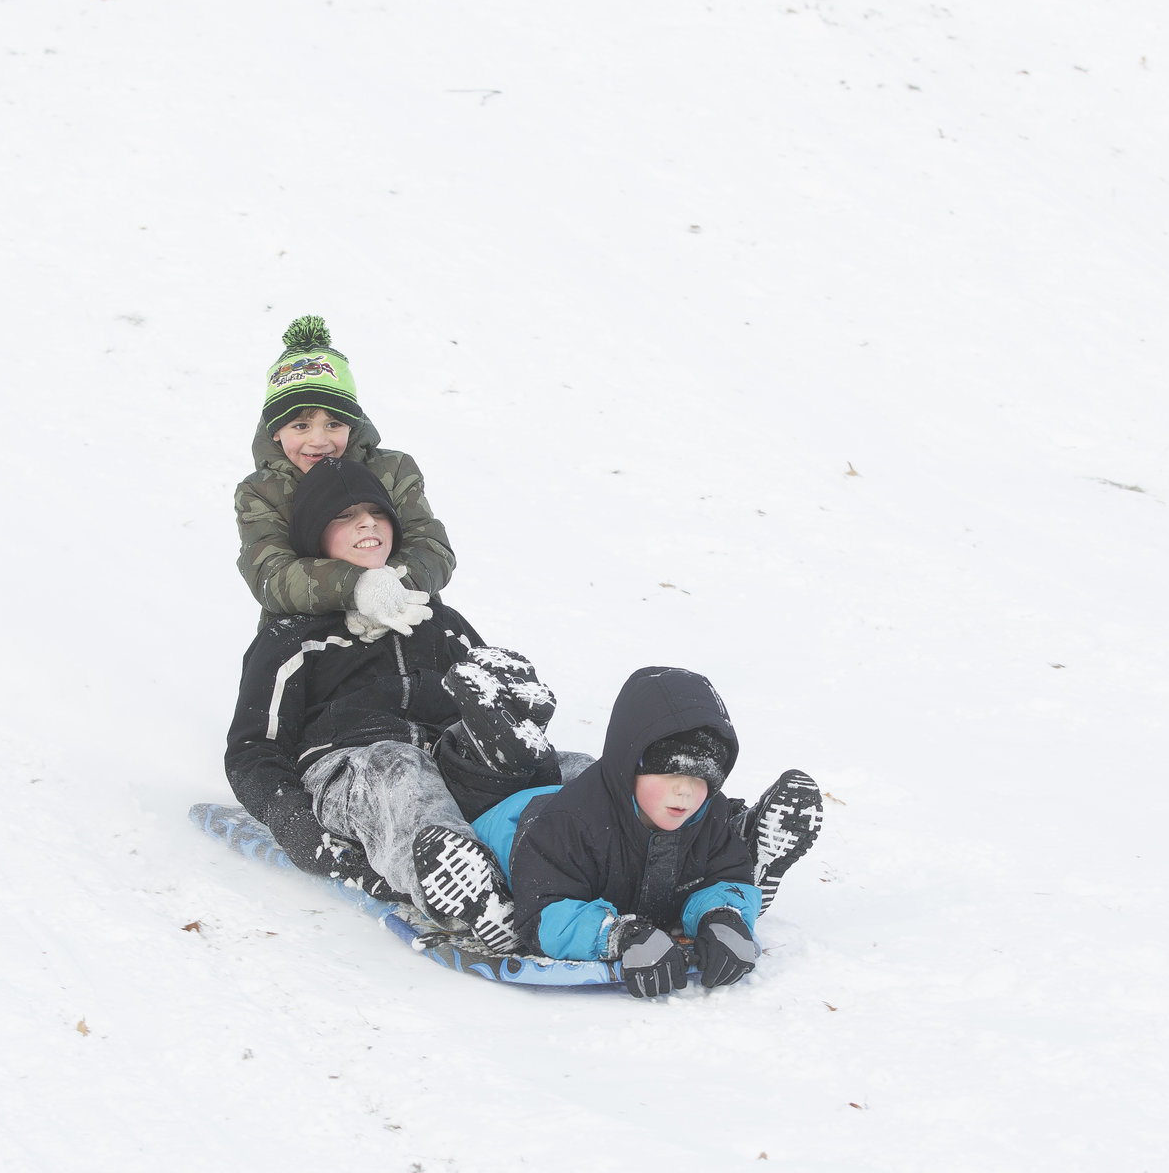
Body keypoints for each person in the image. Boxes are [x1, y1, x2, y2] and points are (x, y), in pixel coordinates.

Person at [224, 457, 582, 946]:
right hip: (352, 774)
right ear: (314, 538)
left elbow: (487, 703)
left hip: (448, 765)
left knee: (576, 769)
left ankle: (650, 851)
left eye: (376, 512)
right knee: (400, 766)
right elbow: (252, 750)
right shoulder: (294, 635)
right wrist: (295, 824)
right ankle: (469, 896)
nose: (367, 522)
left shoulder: (437, 618)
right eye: (344, 516)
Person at [466, 667, 824, 998]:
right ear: (630, 767)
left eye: (702, 779)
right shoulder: (571, 823)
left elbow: (727, 873)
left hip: (616, 831)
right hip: (516, 829)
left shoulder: (707, 814)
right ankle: (478, 887)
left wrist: (723, 917)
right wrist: (618, 935)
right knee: (493, 854)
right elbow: (548, 911)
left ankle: (745, 832)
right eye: (670, 774)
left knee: (714, 847)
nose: (685, 792)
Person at [234, 316, 454, 630]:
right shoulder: (261, 492)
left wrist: (389, 590)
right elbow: (270, 573)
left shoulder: (392, 470)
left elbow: (432, 547)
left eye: (334, 424)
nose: (319, 440)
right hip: (306, 633)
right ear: (276, 432)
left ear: (352, 424)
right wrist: (357, 589)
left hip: (404, 618)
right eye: (301, 426)